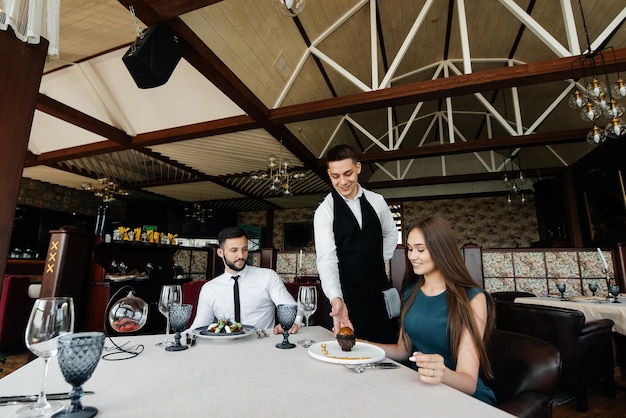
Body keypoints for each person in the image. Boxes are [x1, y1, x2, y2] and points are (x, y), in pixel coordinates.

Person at [372, 215, 496, 405]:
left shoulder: (473, 298)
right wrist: (360, 344)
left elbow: (469, 382)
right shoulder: (410, 292)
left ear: (441, 250)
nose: (412, 256)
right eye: (410, 249)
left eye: (420, 250)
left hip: (463, 398)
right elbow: (402, 350)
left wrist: (443, 373)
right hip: (420, 390)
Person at [314, 144, 399, 343]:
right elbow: (326, 259)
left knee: (384, 348)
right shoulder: (324, 211)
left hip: (377, 294)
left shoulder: (377, 201)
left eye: (348, 173)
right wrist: (336, 298)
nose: (342, 181)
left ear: (358, 168)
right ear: (329, 174)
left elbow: (391, 234)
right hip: (345, 299)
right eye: (335, 176)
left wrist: (376, 260)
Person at [188, 227, 300, 335]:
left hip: (262, 345)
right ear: (220, 253)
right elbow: (198, 328)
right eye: (234, 250)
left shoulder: (267, 276)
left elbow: (291, 308)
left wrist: (294, 322)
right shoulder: (209, 288)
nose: (241, 255)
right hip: (225, 347)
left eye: (245, 249)